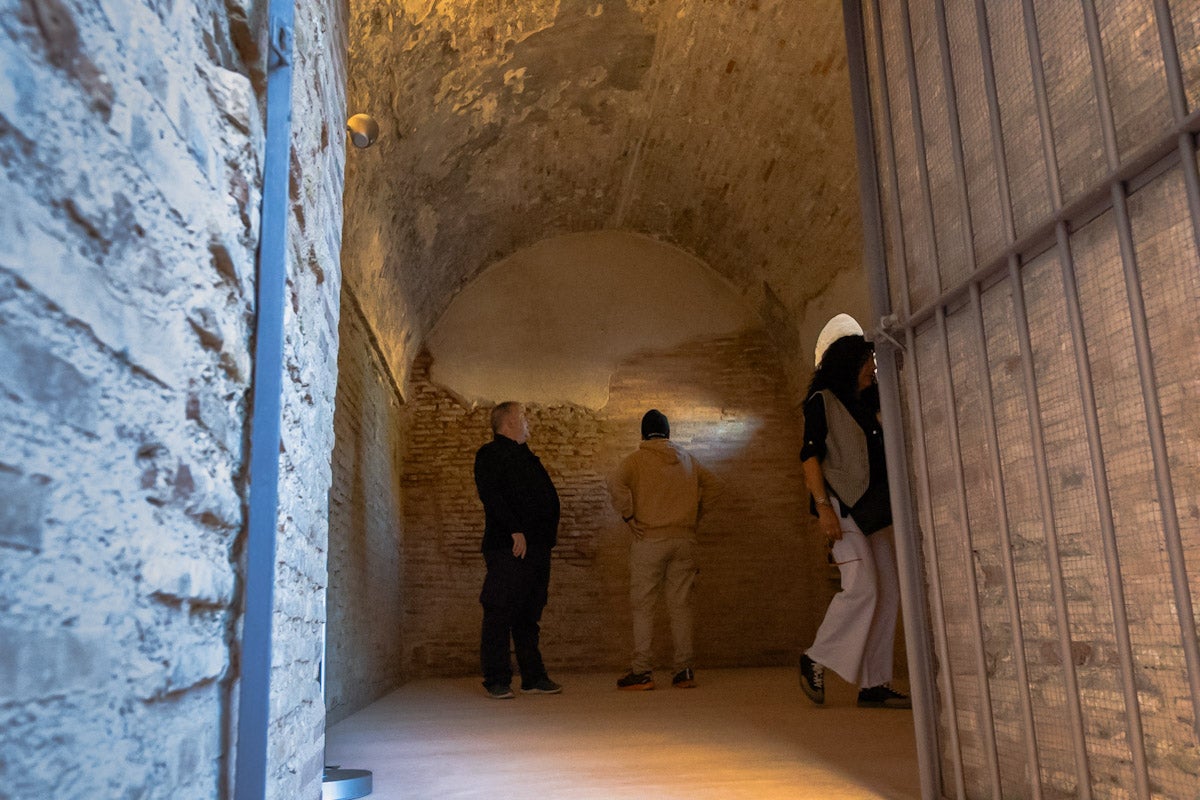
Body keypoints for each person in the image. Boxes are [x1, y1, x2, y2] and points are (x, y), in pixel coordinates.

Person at [798, 314, 910, 709]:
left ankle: (873, 683)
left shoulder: (868, 404)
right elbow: (810, 458)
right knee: (862, 585)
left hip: (872, 509)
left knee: (890, 590)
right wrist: (824, 509)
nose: (872, 370)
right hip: (842, 508)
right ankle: (815, 658)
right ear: (850, 364)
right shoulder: (821, 402)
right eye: (868, 363)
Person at [608, 409, 719, 691]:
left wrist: (628, 516)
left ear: (643, 433)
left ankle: (642, 672)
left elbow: (614, 483)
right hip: (684, 540)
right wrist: (695, 516)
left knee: (643, 607)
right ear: (668, 432)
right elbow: (715, 486)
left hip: (650, 540)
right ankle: (684, 671)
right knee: (681, 607)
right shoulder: (687, 459)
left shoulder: (635, 461)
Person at [473, 401, 562, 699]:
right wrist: (514, 529)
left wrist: (545, 539)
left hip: (536, 548)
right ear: (508, 423)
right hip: (509, 545)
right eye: (523, 418)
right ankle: (497, 679)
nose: (528, 424)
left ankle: (533, 677)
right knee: (499, 608)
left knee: (528, 612)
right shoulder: (490, 454)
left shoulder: (527, 458)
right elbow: (492, 495)